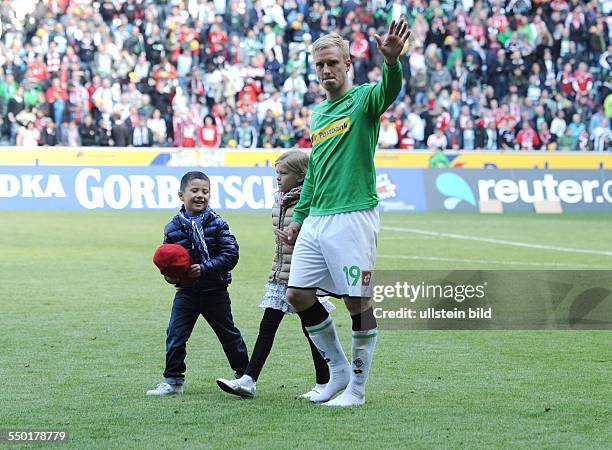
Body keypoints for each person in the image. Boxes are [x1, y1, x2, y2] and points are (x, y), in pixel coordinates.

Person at [280, 20, 410, 407]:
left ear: (348, 63)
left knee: (357, 303)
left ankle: (357, 388)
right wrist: (299, 217)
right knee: (297, 294)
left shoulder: (365, 99)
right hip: (317, 218)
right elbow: (316, 169)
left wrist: (391, 63)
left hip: (354, 215)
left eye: (332, 63)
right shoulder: (319, 115)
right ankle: (337, 372)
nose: (325, 71)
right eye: (319, 66)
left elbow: (390, 90)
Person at [215, 151, 336, 399]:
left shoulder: (311, 202)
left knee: (311, 328)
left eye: (283, 173)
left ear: (302, 176)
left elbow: (319, 239)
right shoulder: (279, 201)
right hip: (281, 274)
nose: (278, 178)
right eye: (276, 173)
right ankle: (249, 379)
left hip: (306, 276)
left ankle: (325, 382)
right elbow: (280, 244)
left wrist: (297, 239)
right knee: (268, 325)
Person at [146, 171, 249, 396]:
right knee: (175, 334)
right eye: (195, 191)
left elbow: (231, 255)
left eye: (205, 191)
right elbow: (168, 261)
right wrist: (170, 277)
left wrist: (204, 269)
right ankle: (173, 381)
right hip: (187, 293)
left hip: (216, 291)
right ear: (181, 195)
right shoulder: (172, 228)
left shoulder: (218, 223)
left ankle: (245, 377)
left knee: (229, 335)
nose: (200, 195)